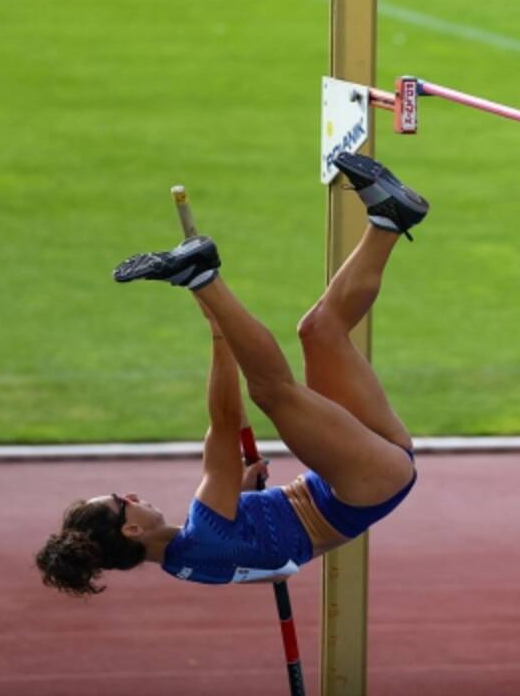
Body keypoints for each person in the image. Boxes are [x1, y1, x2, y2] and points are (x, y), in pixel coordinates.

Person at [35, 153, 429, 595]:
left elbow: (281, 567)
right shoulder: (204, 529)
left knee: (320, 332)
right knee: (272, 393)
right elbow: (224, 423)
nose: (131, 496)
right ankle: (202, 277)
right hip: (360, 485)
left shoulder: (192, 562)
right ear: (131, 532)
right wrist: (219, 335)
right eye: (122, 503)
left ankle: (390, 218)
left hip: (367, 473)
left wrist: (245, 502)